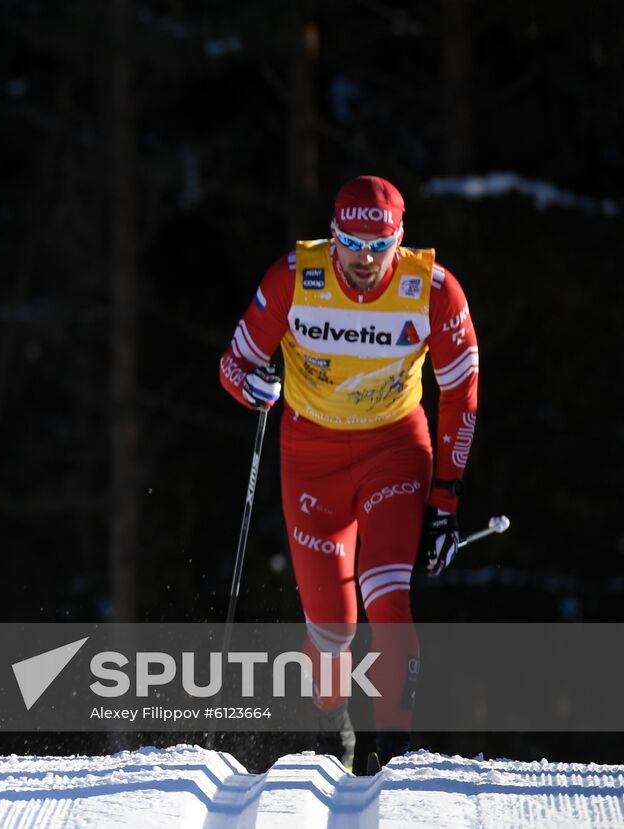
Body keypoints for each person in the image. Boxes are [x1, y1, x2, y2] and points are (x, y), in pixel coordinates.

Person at [217, 176, 479, 772]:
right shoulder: (293, 276)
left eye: (378, 245)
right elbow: (235, 362)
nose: (363, 258)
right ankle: (331, 724)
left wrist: (446, 501)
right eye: (350, 242)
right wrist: (249, 385)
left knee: (388, 597)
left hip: (394, 446)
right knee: (333, 629)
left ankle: (393, 754)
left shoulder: (433, 290)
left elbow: (461, 393)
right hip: (311, 456)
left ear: (400, 240)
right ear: (332, 236)